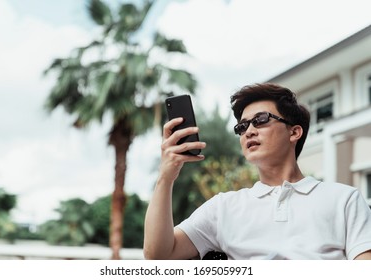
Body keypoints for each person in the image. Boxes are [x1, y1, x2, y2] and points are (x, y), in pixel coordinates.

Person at [143, 83, 371, 260]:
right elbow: (159, 255)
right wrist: (166, 176)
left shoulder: (344, 200)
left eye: (261, 120)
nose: (249, 131)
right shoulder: (223, 208)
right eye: (242, 127)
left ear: (294, 133)